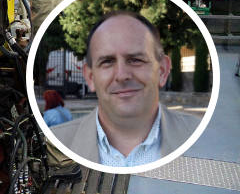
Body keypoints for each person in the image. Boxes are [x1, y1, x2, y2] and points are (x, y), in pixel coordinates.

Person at [50, 11, 202, 167]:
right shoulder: (56, 142)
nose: (122, 75)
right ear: (90, 77)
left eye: (135, 60)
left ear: (162, 70)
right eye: (107, 62)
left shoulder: (203, 137)